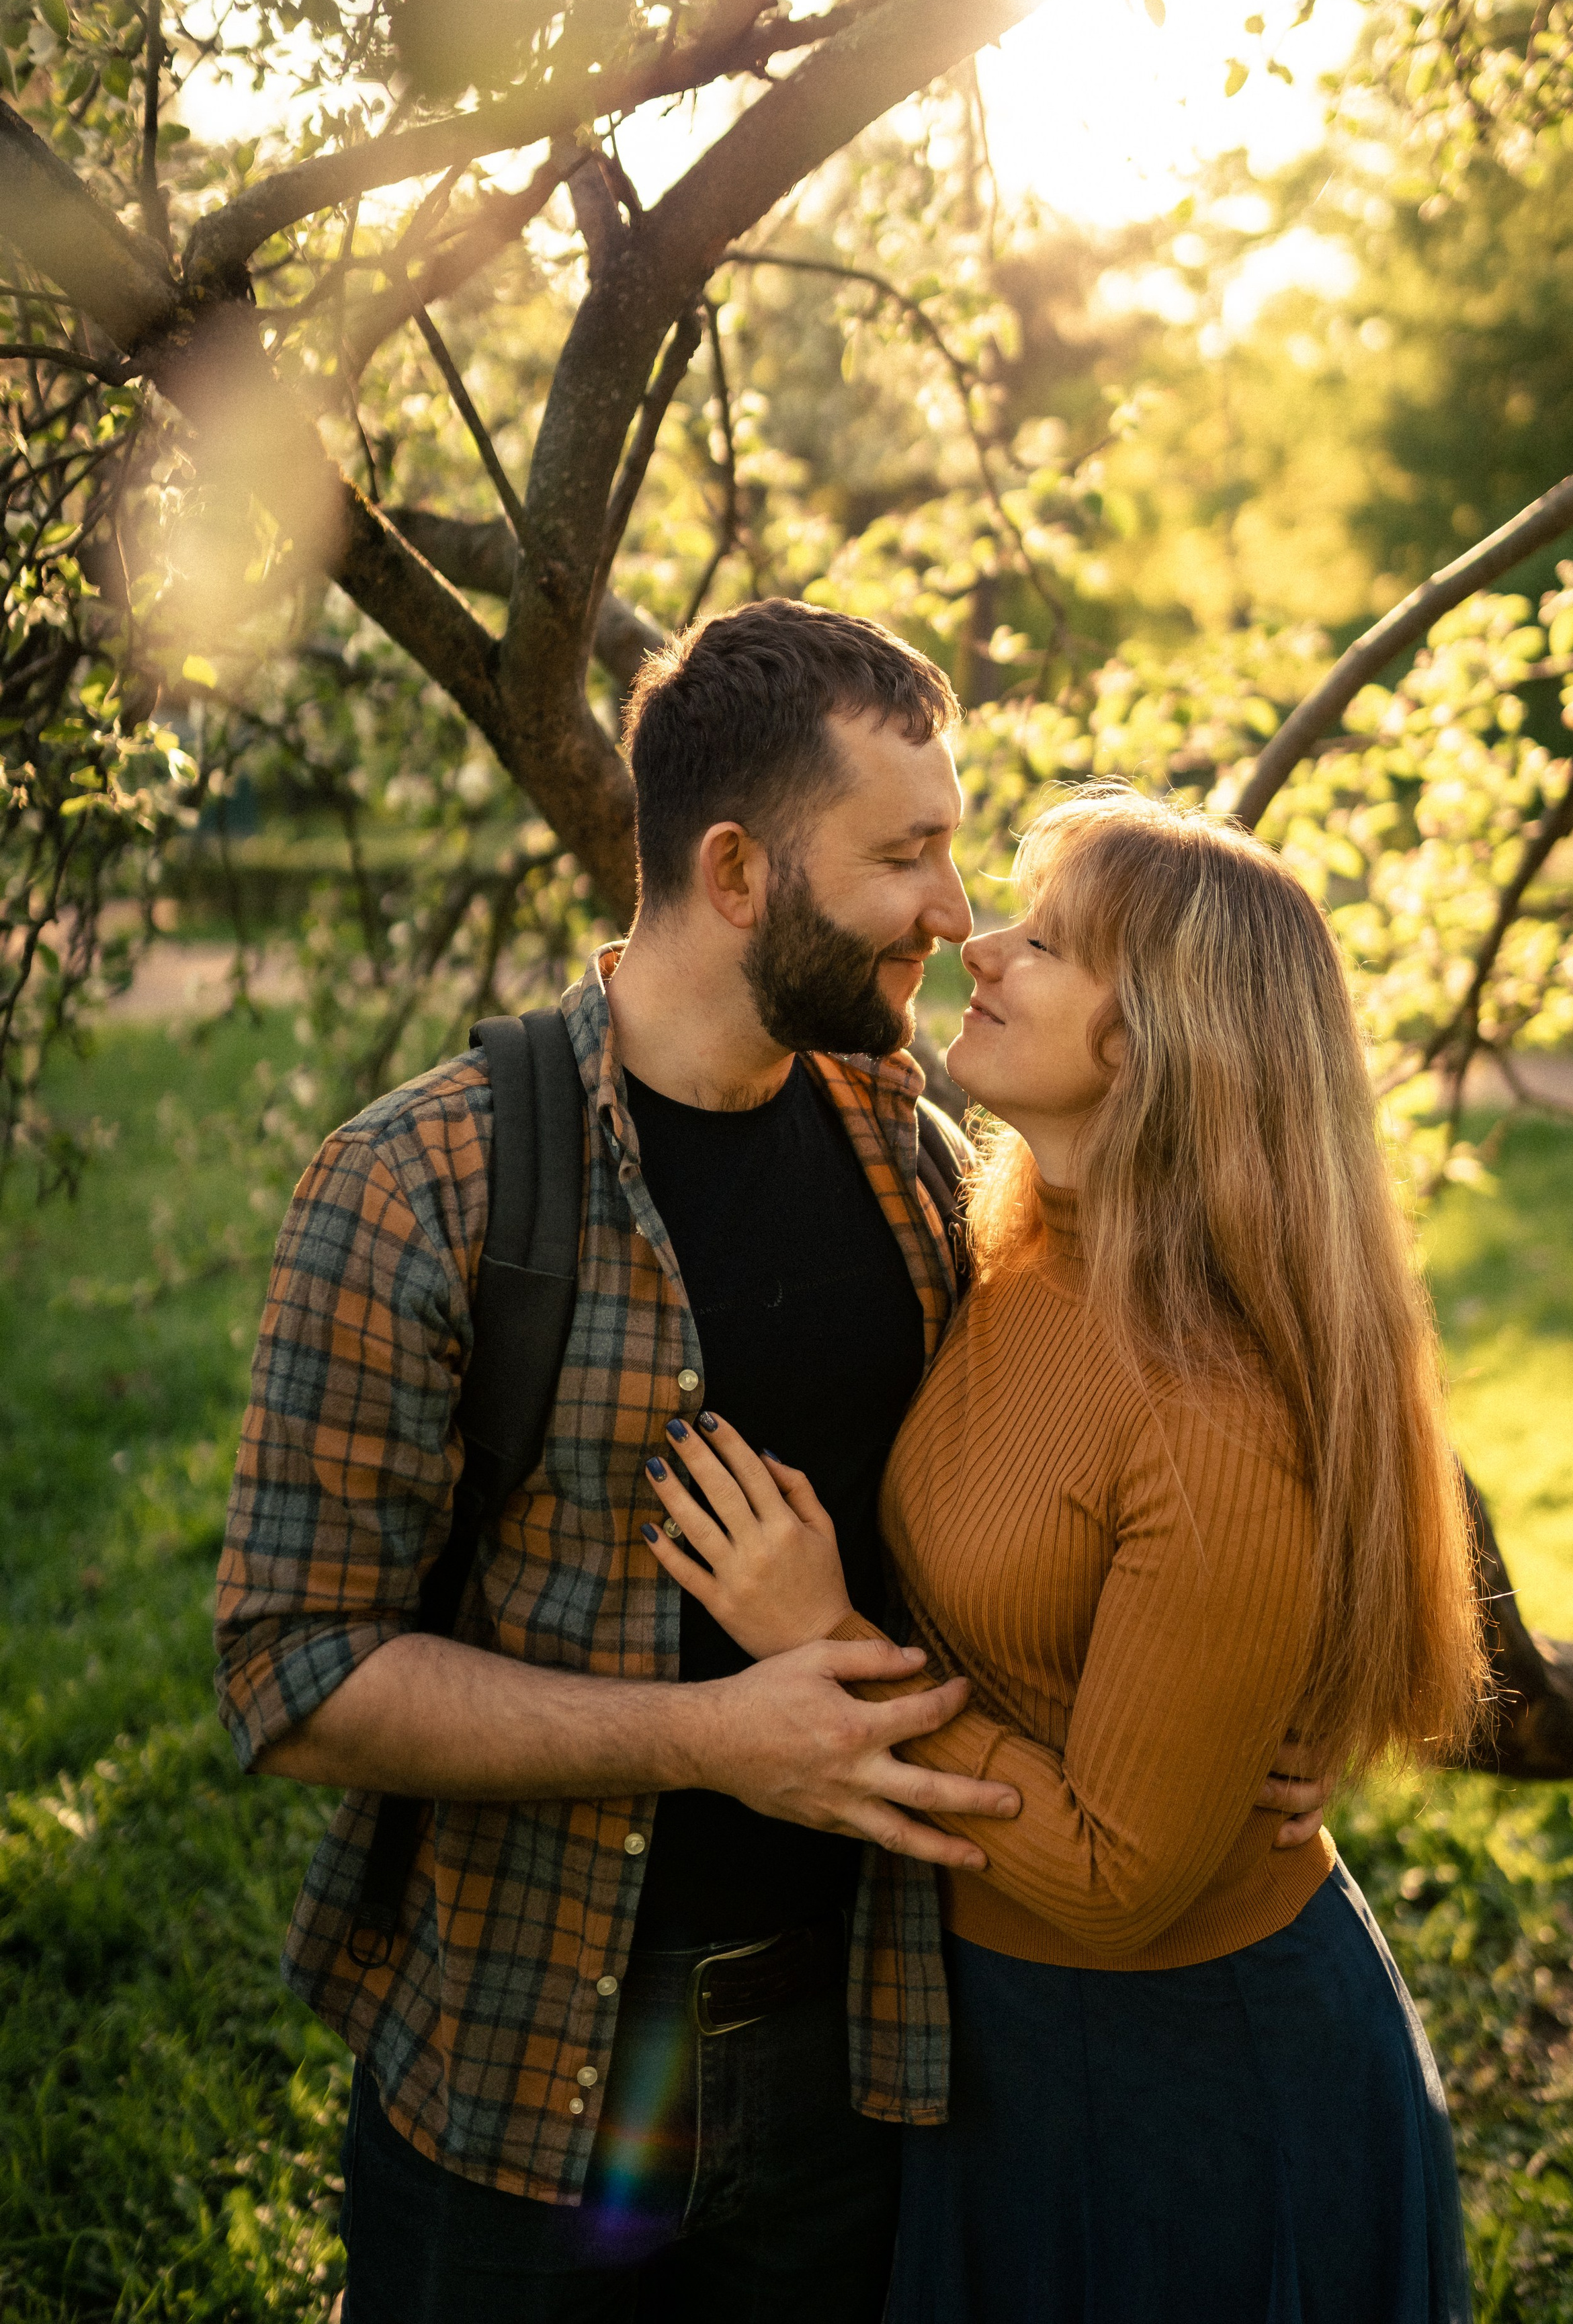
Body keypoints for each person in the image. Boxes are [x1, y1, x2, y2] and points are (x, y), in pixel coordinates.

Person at [214, 606, 1327, 2324]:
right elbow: (289, 1677)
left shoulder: (913, 1154)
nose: (955, 918)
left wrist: (1256, 1692)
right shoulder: (416, 1189)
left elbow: (1153, 1422)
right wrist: (712, 1742)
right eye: (908, 856)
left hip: (864, 2068)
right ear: (737, 873)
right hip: (523, 2072)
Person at [643, 784, 1486, 2324]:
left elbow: (1112, 1879)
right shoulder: (1016, 1229)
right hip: (997, 2037)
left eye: (1053, 941)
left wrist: (822, 1640)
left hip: (1180, 2081)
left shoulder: (1213, 1411)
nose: (985, 940)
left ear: (1160, 1042)